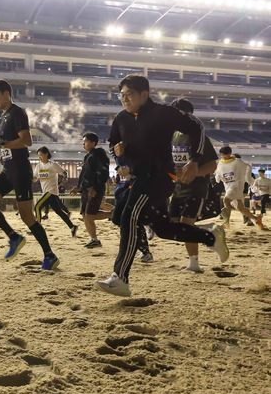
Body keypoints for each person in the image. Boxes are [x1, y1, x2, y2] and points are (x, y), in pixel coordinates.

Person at [97, 75, 228, 297]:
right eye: (122, 95)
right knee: (163, 228)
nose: (124, 99)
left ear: (144, 95)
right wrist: (120, 160)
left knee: (129, 217)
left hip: (159, 178)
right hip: (138, 178)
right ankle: (211, 237)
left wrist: (194, 160)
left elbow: (197, 126)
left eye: (129, 95)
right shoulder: (121, 119)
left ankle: (120, 277)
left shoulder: (163, 113)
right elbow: (113, 144)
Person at [0, 79, 60, 270]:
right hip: (8, 170)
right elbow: (6, 143)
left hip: (20, 171)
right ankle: (14, 237)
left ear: (6, 93)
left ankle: (49, 255)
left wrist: (2, 144)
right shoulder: (2, 117)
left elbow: (27, 141)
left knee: (27, 216)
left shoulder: (17, 112)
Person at [168, 98, 219, 273]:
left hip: (196, 187)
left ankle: (194, 263)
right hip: (178, 187)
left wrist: (193, 173)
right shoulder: (173, 136)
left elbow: (213, 165)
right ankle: (210, 232)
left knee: (186, 223)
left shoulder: (199, 137)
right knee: (171, 224)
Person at [70, 132, 111, 248]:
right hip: (86, 189)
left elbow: (103, 173)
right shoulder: (88, 156)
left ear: (93, 143)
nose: (83, 144)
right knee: (85, 215)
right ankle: (94, 239)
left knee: (89, 215)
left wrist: (95, 188)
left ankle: (113, 214)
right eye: (83, 141)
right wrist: (78, 187)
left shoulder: (98, 156)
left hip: (94, 190)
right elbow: (84, 174)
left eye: (86, 141)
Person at [33, 146, 78, 237]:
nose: (39, 157)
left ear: (46, 154)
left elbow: (64, 173)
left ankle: (37, 230)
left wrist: (62, 180)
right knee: (59, 212)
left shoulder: (53, 165)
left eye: (41, 155)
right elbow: (35, 179)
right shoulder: (38, 166)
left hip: (52, 191)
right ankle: (73, 227)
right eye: (38, 156)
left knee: (37, 207)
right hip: (45, 192)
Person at [215, 146, 263, 230]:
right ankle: (256, 219)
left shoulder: (238, 162)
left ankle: (226, 222)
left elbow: (247, 167)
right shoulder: (221, 163)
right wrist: (217, 177)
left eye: (224, 154)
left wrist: (251, 181)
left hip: (236, 186)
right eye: (222, 155)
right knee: (241, 208)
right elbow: (218, 172)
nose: (223, 156)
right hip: (228, 187)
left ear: (229, 153)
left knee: (226, 200)